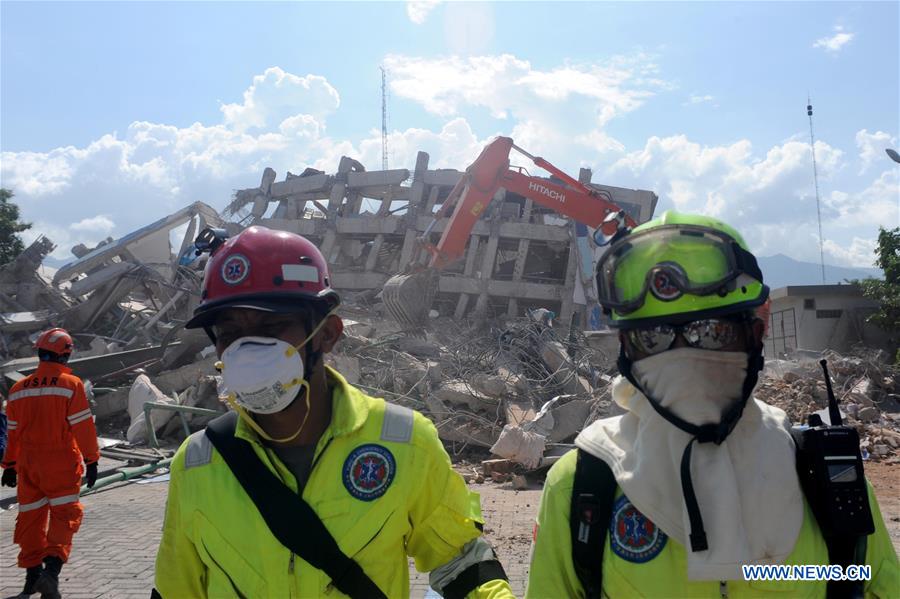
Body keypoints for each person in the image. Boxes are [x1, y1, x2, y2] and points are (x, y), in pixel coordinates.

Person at [526, 211, 899, 598]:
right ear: (625, 350)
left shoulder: (826, 477)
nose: (684, 358)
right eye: (652, 338)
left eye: (712, 333)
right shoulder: (584, 484)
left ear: (758, 330)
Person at [154, 226, 514, 598]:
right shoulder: (198, 462)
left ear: (327, 334)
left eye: (272, 326)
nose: (247, 351)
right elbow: (175, 587)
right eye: (229, 333)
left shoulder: (405, 442)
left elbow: (461, 564)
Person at [1, 328, 100, 599]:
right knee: (64, 516)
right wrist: (92, 460)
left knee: (30, 520)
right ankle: (50, 573)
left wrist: (9, 465)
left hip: (28, 466)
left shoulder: (18, 390)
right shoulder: (71, 385)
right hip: (60, 463)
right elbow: (82, 427)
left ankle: (30, 580)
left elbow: (12, 433)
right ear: (65, 355)